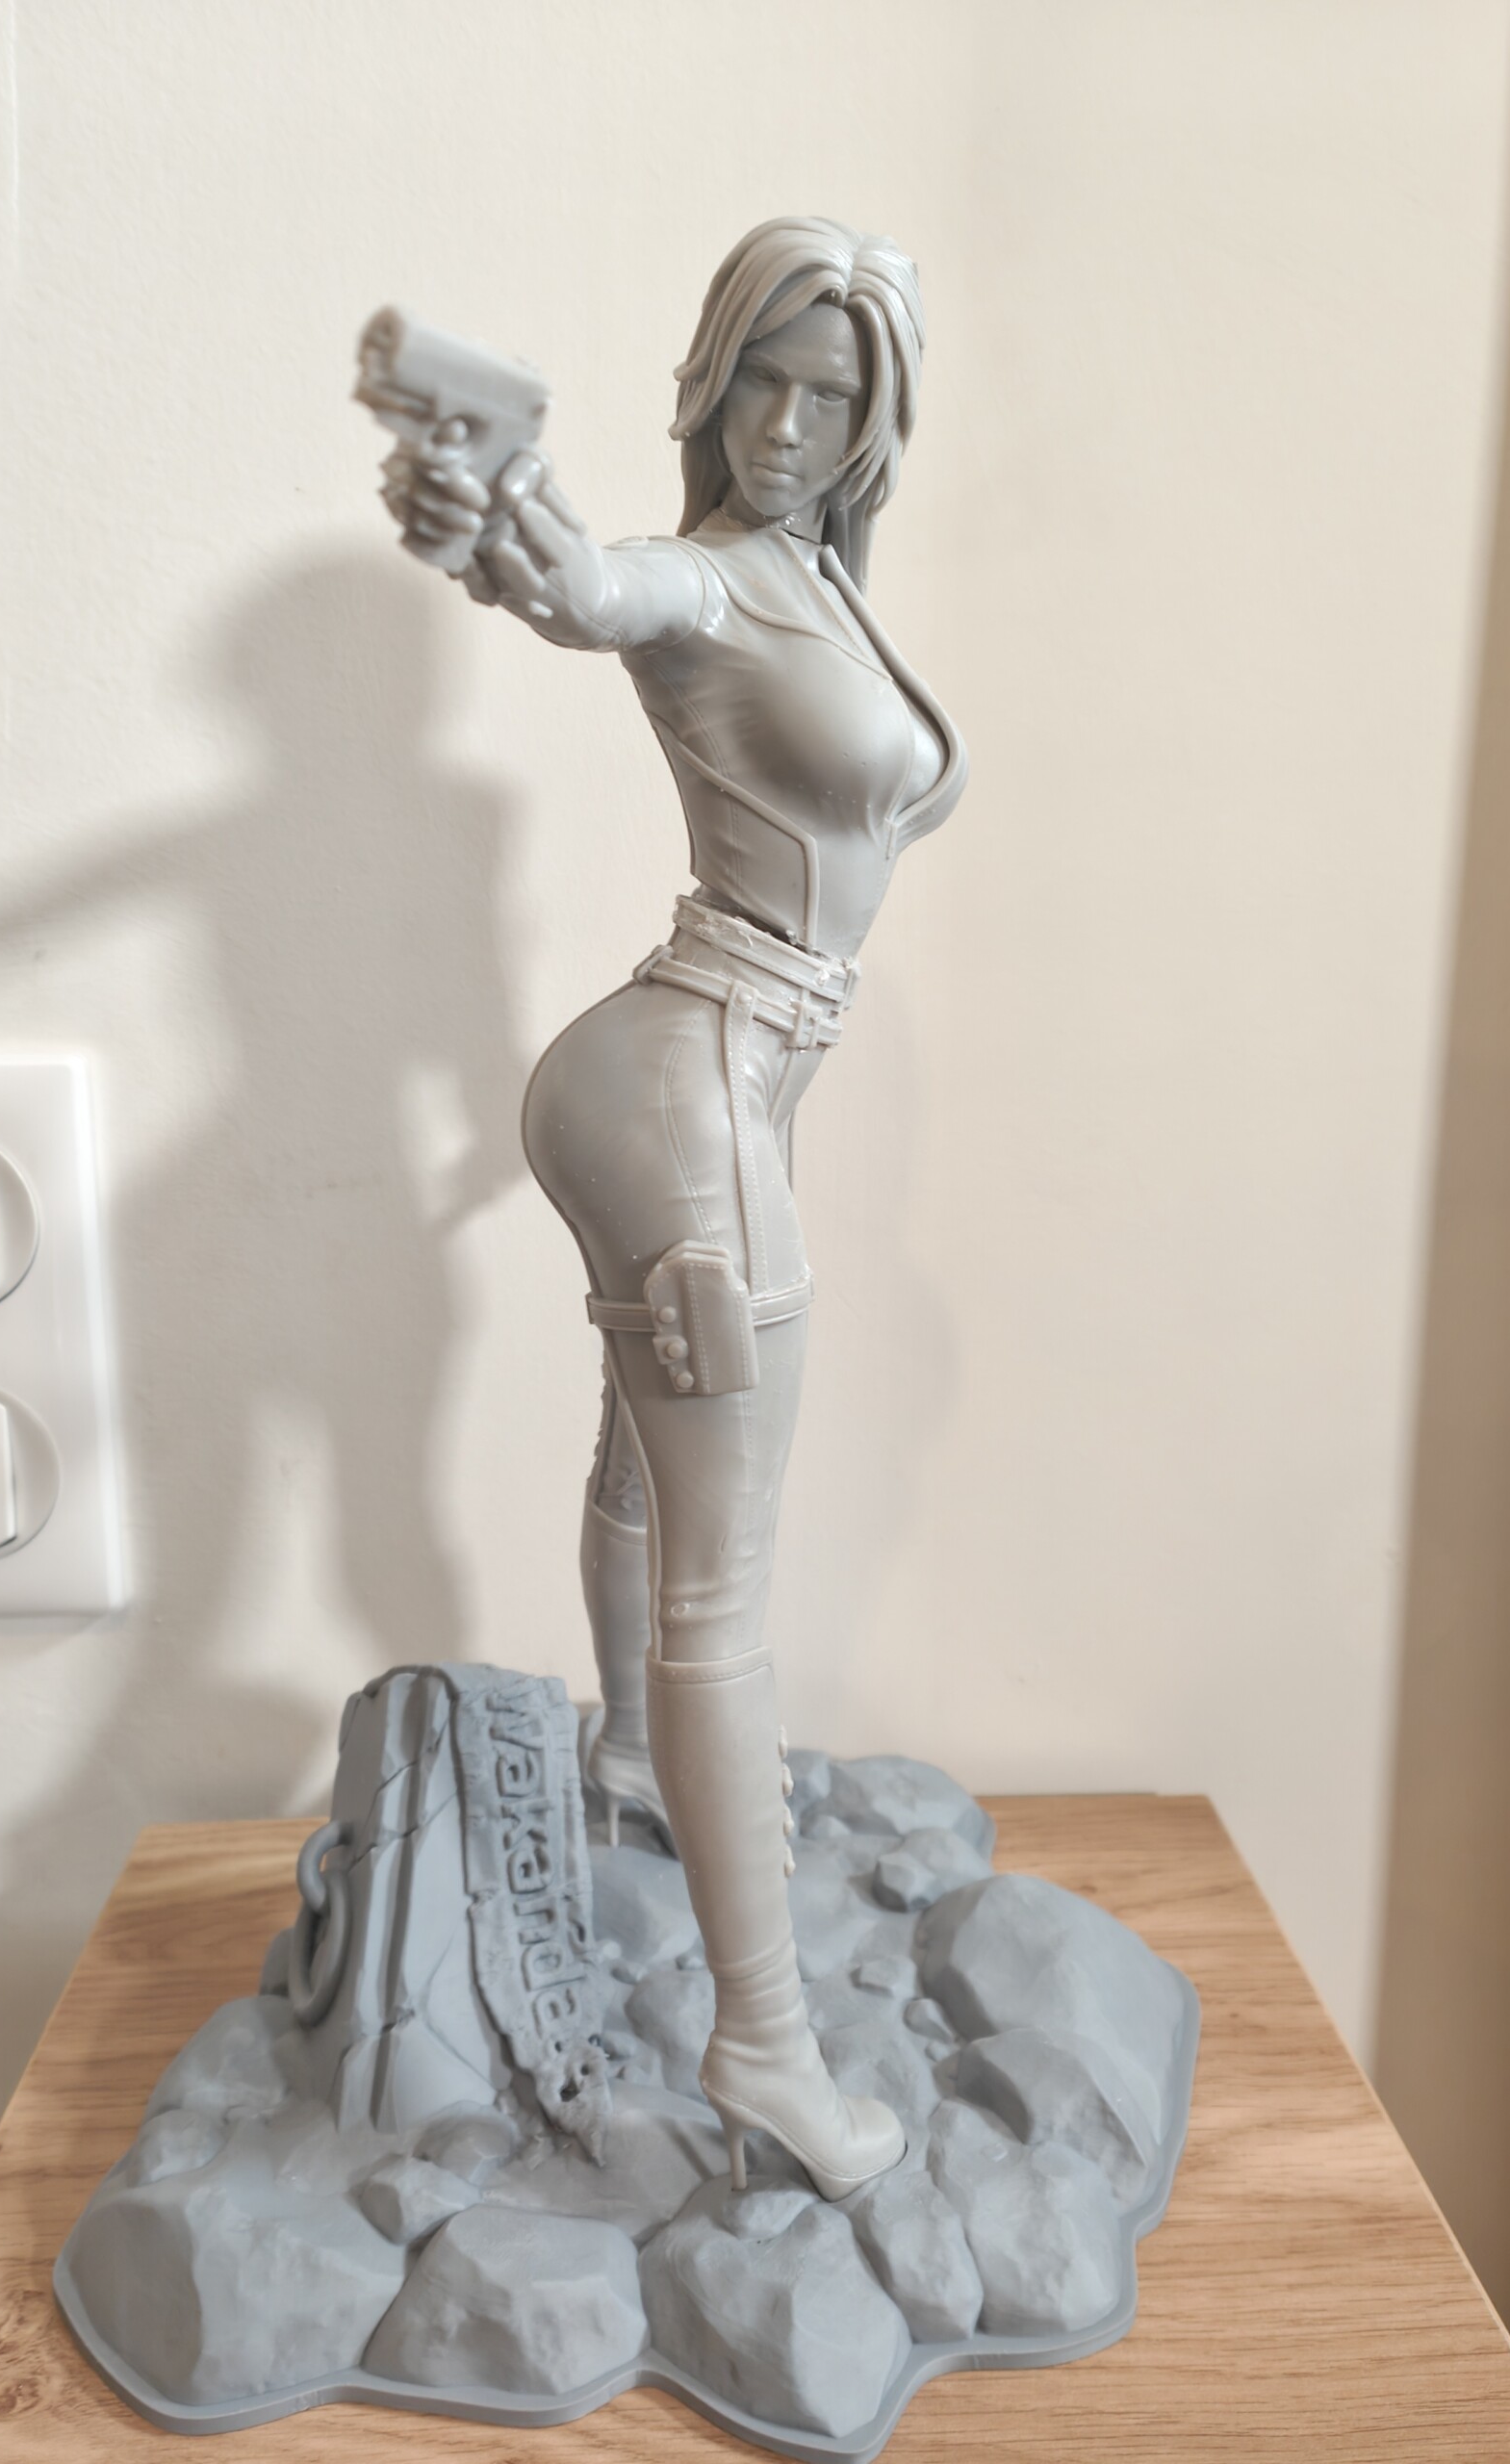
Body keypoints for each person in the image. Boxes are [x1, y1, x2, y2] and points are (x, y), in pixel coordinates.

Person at [388, 216, 966, 2200]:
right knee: (729, 1584)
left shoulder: (815, 579)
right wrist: (502, 515)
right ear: (711, 382)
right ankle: (766, 2042)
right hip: (689, 1083)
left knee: (647, 1461)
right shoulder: (710, 575)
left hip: (709, 1082)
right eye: (760, 381)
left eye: (832, 392)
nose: (786, 426)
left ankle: (635, 1758)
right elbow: (592, 587)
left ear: (879, 417)